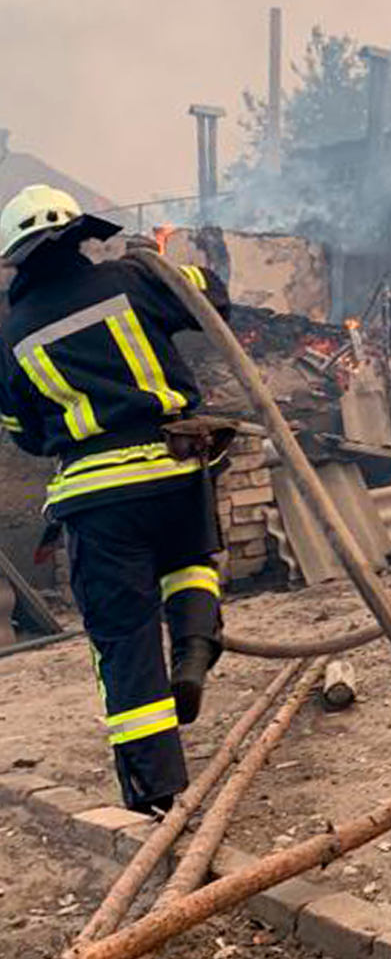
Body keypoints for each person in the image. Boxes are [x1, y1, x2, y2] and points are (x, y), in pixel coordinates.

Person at [0, 185, 231, 813]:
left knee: (125, 638)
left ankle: (157, 792)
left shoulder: (11, 333)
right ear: (80, 236)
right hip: (174, 467)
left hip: (96, 497)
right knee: (189, 564)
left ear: (16, 261)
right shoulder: (131, 279)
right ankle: (194, 648)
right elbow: (211, 296)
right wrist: (155, 262)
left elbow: (23, 434)